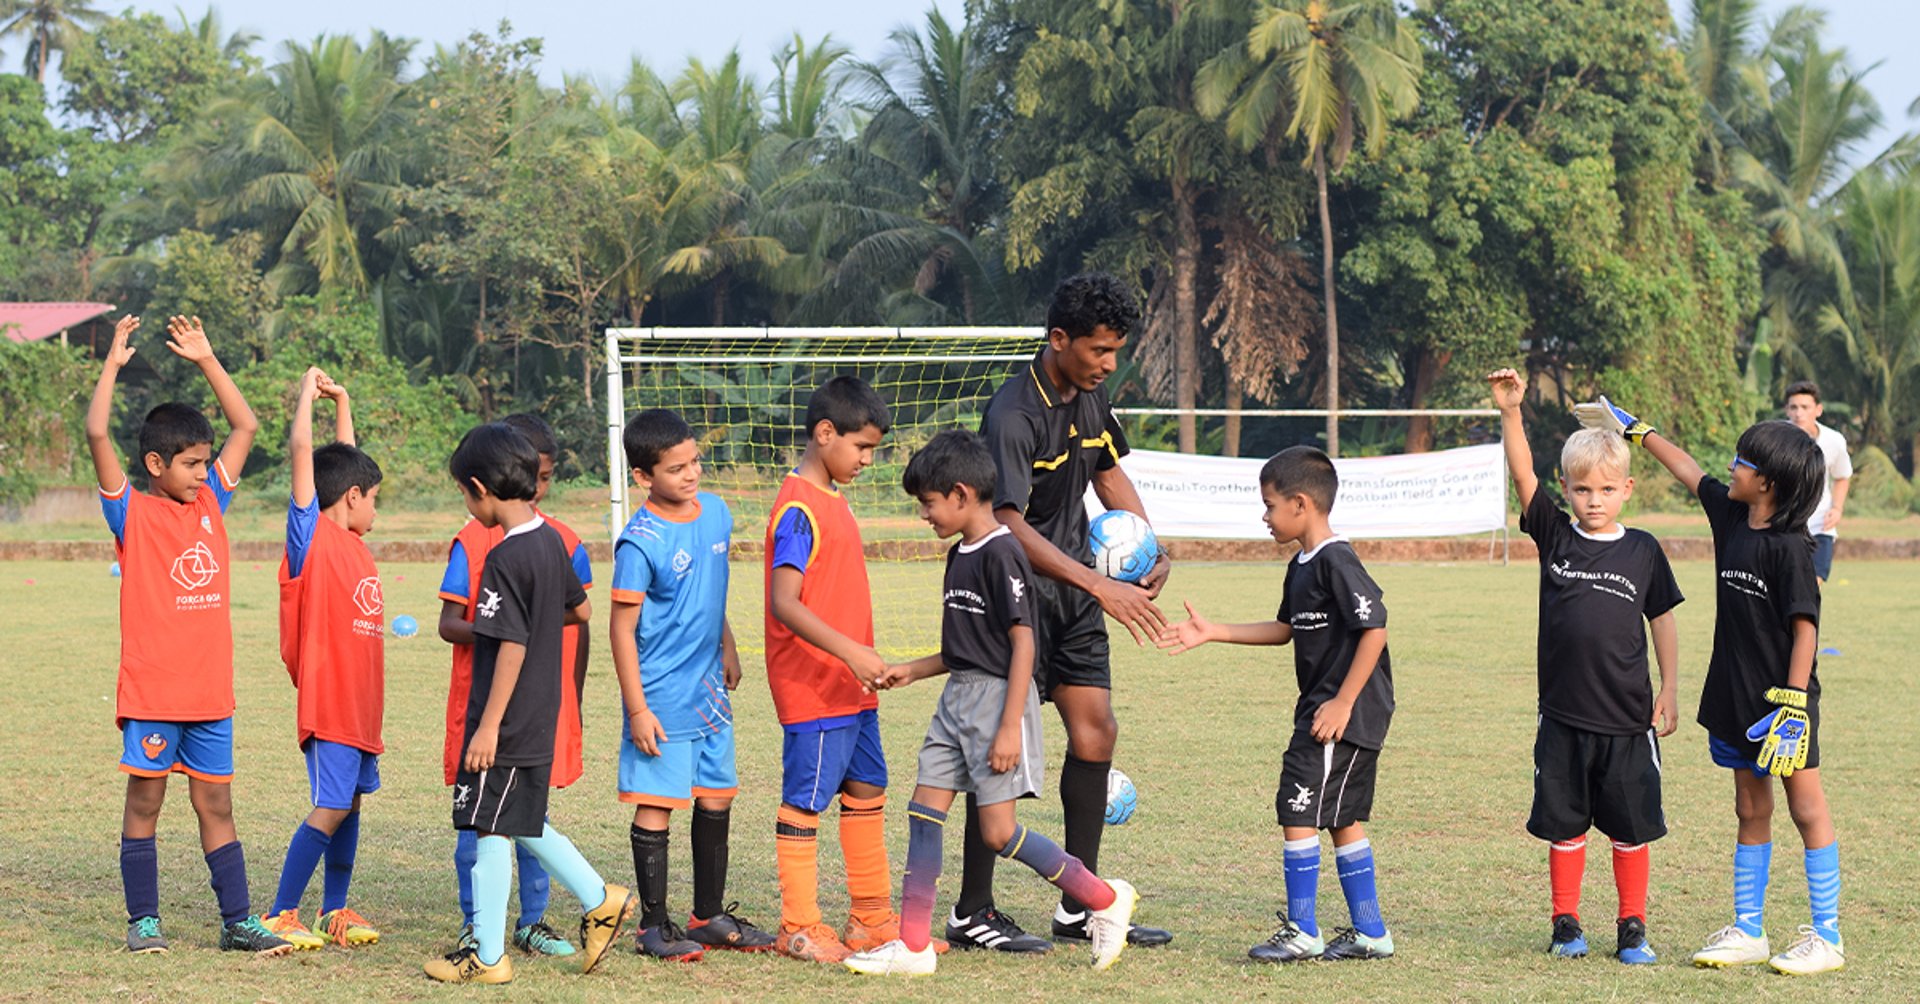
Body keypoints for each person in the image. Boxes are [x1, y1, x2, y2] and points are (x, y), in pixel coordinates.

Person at [843, 430, 1139, 976]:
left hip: (1000, 700)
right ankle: (913, 948)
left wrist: (1009, 727)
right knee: (923, 811)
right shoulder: (959, 555)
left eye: (928, 504)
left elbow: (1023, 640)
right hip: (957, 699)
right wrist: (914, 669)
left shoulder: (1004, 552)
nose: (925, 515)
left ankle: (1102, 899)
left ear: (960, 495)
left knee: (998, 833)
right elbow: (964, 648)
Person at [1575, 397, 1844, 976]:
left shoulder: (1792, 548)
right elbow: (1689, 468)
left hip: (1784, 703)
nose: (1732, 465)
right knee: (1751, 807)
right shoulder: (1730, 515)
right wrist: (1639, 431)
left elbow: (1806, 632)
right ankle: (1749, 928)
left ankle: (1827, 935)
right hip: (1733, 695)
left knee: (1806, 808)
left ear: (1766, 482)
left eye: (1743, 461)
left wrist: (1794, 704)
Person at [958, 274, 1173, 953]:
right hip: (1013, 598)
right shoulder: (1013, 414)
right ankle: (972, 911)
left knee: (1096, 733)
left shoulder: (1089, 394)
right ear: (1059, 340)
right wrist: (1100, 585)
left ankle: (1080, 907)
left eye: (1115, 351)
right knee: (1002, 756)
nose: (1110, 364)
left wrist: (1146, 545)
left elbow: (1107, 472)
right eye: (1100, 351)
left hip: (1076, 595)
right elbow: (1004, 519)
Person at [84, 314, 291, 957]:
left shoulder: (211, 508)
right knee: (145, 802)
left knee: (217, 807)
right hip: (152, 694)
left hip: (209, 697)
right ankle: (144, 921)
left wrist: (207, 359)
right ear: (155, 463)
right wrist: (113, 365)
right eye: (193, 464)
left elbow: (247, 426)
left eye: (207, 463)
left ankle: (237, 921)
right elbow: (95, 430)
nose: (205, 473)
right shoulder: (131, 512)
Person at [1160, 446, 1397, 963]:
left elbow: (1374, 628)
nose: (1264, 517)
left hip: (1341, 714)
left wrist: (1342, 702)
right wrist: (1214, 631)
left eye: (1269, 506)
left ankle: (1303, 930)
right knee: (1340, 816)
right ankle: (1371, 932)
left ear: (1301, 504)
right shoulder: (1302, 566)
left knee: (1296, 804)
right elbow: (1286, 629)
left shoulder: (1337, 559)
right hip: (1328, 709)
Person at [425, 422, 634, 984]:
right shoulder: (550, 540)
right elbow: (580, 611)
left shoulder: (503, 557)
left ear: (479, 488)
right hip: (544, 709)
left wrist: (487, 727)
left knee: (494, 824)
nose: (469, 508)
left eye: (465, 497)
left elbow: (511, 644)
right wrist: (541, 626)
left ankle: (506, 946)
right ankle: (519, 939)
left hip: (509, 718)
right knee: (510, 822)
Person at [1489, 369, 1683, 964]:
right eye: (1580, 491)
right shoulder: (1556, 537)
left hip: (1628, 721)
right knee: (1565, 827)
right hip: (1565, 719)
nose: (1592, 501)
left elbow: (1662, 621)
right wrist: (1512, 412)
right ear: (1567, 491)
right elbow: (1523, 475)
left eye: (1603, 490)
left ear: (1626, 489)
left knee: (1630, 830)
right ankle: (1566, 923)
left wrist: (1671, 688)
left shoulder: (1644, 549)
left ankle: (1632, 927)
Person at [610, 409, 772, 960]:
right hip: (660, 696)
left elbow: (709, 590)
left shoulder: (719, 514)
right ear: (643, 477)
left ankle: (708, 914)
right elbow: (621, 628)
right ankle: (653, 926)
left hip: (710, 693)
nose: (691, 474)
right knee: (658, 802)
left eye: (695, 461)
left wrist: (726, 642)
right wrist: (637, 710)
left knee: (717, 796)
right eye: (676, 468)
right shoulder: (639, 542)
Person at [764, 376, 909, 963]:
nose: (867, 461)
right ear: (825, 434)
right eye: (862, 448)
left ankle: (871, 918)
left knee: (868, 787)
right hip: (816, 686)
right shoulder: (798, 508)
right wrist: (850, 651)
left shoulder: (832, 499)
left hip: (853, 688)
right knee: (806, 799)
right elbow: (784, 600)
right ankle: (797, 924)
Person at [263, 368, 387, 950]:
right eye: (374, 500)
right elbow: (305, 454)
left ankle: (334, 910)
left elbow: (349, 462)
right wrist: (307, 401)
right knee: (331, 805)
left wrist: (345, 399)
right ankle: (281, 912)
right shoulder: (312, 539)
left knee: (350, 805)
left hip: (362, 707)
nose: (377, 511)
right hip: (330, 701)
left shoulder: (357, 544)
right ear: (352, 499)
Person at [1782, 381, 1852, 583]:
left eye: (1805, 407)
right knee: (1786, 585)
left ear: (1818, 410)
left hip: (1820, 524)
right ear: (1786, 410)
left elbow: (1842, 476)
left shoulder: (1834, 440)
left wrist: (1837, 509)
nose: (1799, 413)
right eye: (1793, 407)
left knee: (1813, 582)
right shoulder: (1775, 438)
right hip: (1784, 524)